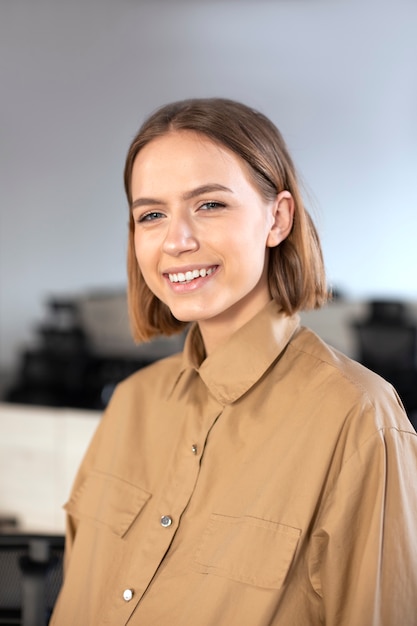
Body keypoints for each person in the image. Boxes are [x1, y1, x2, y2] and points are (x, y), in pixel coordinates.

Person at [50, 98, 417, 625]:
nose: (177, 240)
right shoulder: (131, 405)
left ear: (278, 218)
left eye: (210, 205)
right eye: (151, 215)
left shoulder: (359, 418)